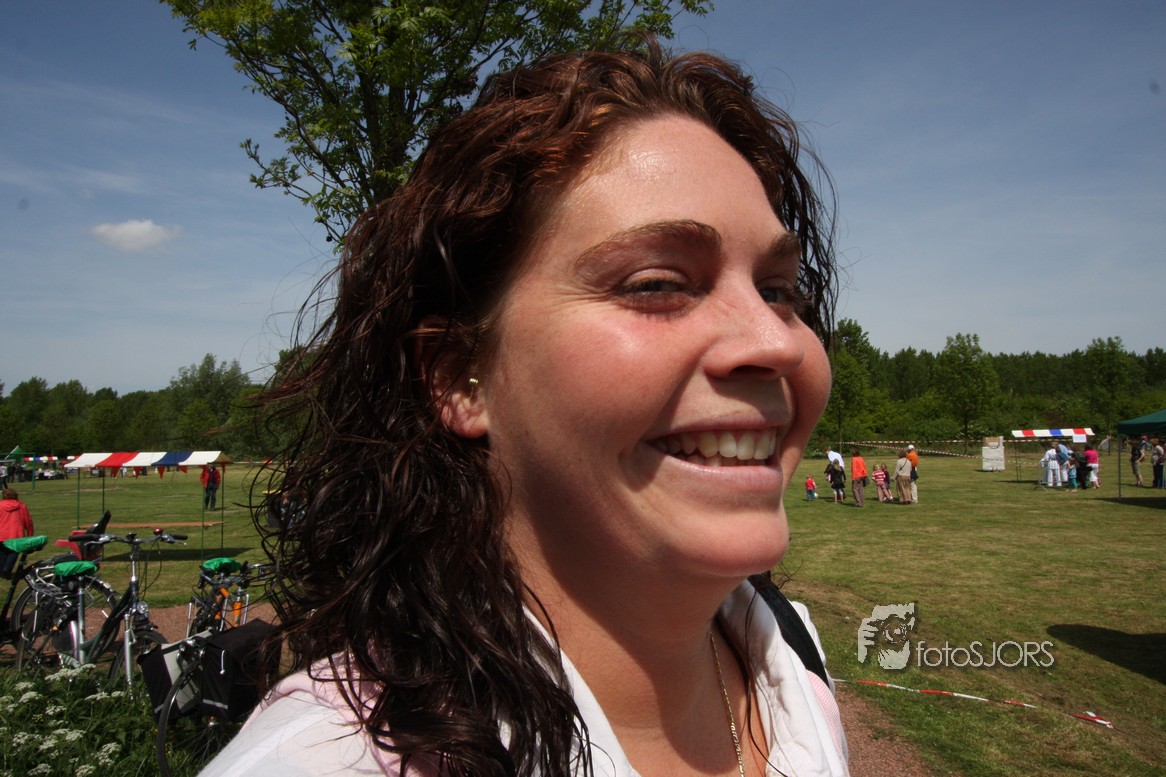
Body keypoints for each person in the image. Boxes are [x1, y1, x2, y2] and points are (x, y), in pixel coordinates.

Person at [203, 42, 848, 777]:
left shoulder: (794, 663)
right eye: (657, 283)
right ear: (461, 377)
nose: (776, 341)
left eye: (777, 290)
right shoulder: (328, 761)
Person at [0, 488, 35, 577]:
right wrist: (30, 534)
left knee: (2, 552)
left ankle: (2, 570)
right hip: (16, 534)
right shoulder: (21, 506)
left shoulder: (0, 505)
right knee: (13, 553)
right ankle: (6, 569)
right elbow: (28, 522)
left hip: (2, 533)